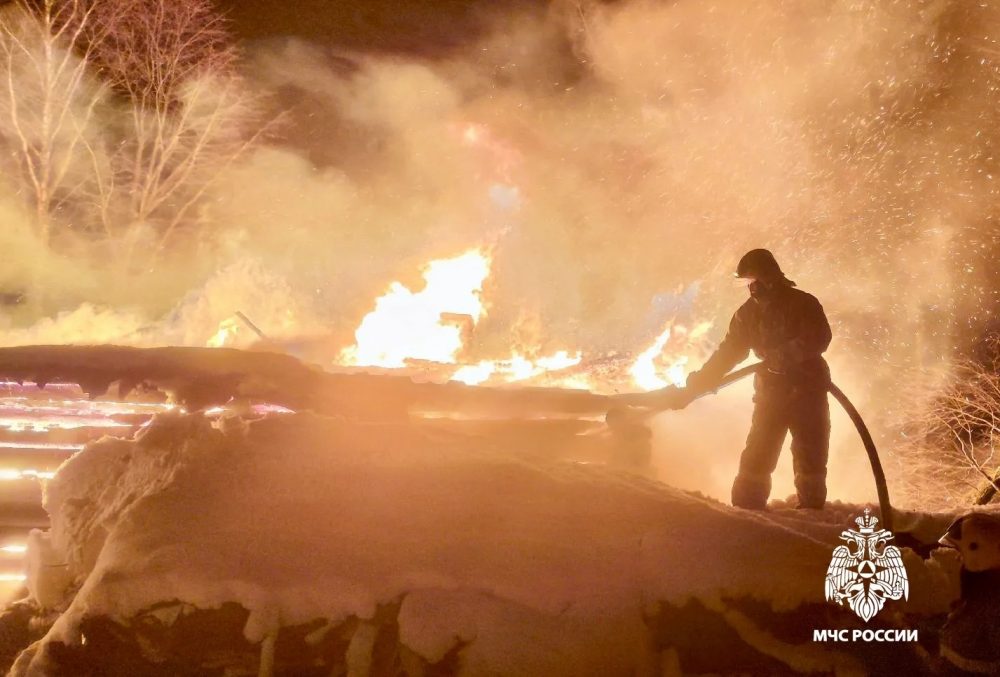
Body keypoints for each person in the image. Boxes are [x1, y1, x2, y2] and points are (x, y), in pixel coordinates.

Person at [684, 249, 832, 510]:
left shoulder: (803, 303)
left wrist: (786, 354)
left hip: (808, 390)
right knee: (758, 453)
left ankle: (812, 513)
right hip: (771, 392)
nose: (751, 287)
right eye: (747, 282)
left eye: (754, 280)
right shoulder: (747, 314)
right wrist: (705, 378)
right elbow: (730, 350)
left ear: (769, 277)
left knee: (811, 456)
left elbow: (819, 337)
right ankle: (746, 512)